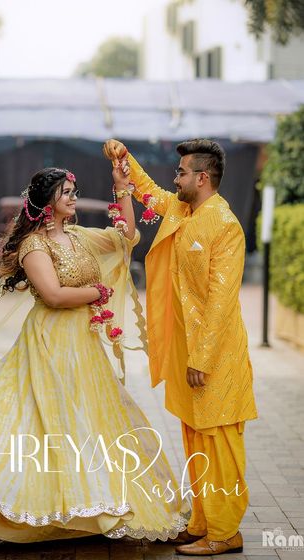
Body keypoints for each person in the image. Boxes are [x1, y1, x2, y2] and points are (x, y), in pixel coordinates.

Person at [0, 167, 189, 543]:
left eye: (74, 191)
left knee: (93, 419)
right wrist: (99, 294)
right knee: (51, 420)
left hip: (84, 344)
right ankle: (49, 504)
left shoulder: (78, 236)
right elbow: (54, 296)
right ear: (47, 202)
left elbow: (127, 236)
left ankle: (94, 504)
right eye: (66, 193)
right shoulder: (35, 247)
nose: (73, 198)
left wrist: (122, 189)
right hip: (50, 341)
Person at [103, 139, 258, 556]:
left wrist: (202, 359)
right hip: (187, 354)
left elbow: (222, 302)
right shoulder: (181, 209)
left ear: (202, 178)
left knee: (219, 442)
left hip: (215, 358)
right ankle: (202, 523)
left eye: (182, 173)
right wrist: (123, 159)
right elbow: (148, 189)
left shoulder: (223, 225)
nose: (176, 180)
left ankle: (226, 533)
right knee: (195, 440)